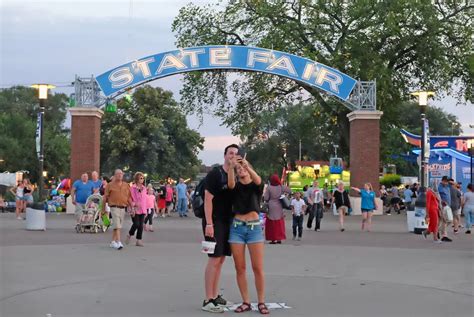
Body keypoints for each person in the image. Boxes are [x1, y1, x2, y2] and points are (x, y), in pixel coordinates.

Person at [227, 156, 269, 314]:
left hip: (254, 229)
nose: (241, 170)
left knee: (257, 267)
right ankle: (246, 301)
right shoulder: (236, 186)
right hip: (237, 228)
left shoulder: (255, 186)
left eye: (243, 168)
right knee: (240, 268)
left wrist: (246, 165)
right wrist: (232, 167)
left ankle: (261, 302)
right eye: (239, 170)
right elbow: (230, 184)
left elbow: (259, 180)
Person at [202, 144, 238, 313]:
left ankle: (215, 295)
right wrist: (209, 224)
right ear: (224, 155)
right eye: (230, 153)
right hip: (214, 221)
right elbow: (208, 199)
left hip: (227, 221)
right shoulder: (215, 174)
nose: (233, 156)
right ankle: (208, 299)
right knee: (214, 259)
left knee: (222, 259)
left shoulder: (234, 175)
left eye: (236, 154)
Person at [103, 169, 132, 250]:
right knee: (117, 225)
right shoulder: (109, 185)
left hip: (123, 208)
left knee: (118, 226)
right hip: (114, 207)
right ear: (115, 175)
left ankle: (112, 242)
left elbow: (128, 197)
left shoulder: (126, 185)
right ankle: (119, 242)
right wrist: (103, 209)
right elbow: (105, 197)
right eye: (118, 174)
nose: (120, 175)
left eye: (121, 174)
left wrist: (132, 207)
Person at [263, 174, 291, 244]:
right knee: (279, 223)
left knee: (271, 223)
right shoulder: (281, 187)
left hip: (271, 206)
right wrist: (284, 195)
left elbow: (266, 198)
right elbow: (290, 191)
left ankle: (273, 239)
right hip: (279, 206)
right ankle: (279, 239)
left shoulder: (269, 188)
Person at [126, 172, 148, 247]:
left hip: (143, 209)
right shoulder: (132, 188)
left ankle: (139, 240)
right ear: (137, 179)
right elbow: (129, 198)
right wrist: (133, 204)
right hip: (134, 209)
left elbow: (145, 199)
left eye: (143, 178)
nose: (142, 179)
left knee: (141, 225)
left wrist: (146, 210)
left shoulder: (144, 188)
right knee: (136, 224)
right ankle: (129, 234)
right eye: (141, 178)